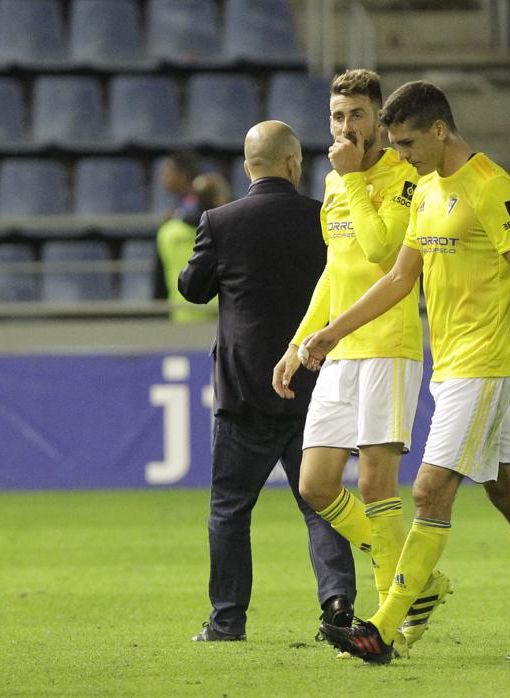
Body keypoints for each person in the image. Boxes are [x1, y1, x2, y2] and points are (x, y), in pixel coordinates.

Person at [305, 82, 510, 664]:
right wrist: (332, 332)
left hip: (486, 366)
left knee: (427, 489)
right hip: (452, 368)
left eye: (409, 142)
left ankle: (384, 630)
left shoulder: (493, 189)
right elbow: (396, 280)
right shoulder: (428, 191)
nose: (403, 154)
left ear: (440, 130)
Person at [271, 69, 449, 651]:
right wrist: (300, 342)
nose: (347, 127)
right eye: (337, 117)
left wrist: (350, 181)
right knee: (316, 485)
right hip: (339, 351)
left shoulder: (405, 179)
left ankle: (386, 622)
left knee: (376, 487)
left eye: (357, 116)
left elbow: (380, 253)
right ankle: (417, 580)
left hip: (388, 348)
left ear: (378, 118)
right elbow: (335, 269)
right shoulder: (334, 183)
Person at [180, 120, 356, 642]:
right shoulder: (323, 220)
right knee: (322, 502)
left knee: (230, 511)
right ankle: (338, 603)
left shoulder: (220, 221)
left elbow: (192, 288)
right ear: (293, 164)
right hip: (313, 383)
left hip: (245, 393)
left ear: (246, 166)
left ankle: (227, 621)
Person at [157, 152, 218, 322]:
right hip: (185, 309)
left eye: (167, 171)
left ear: (183, 174)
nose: (162, 176)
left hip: (207, 311)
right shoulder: (179, 208)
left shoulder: (196, 205)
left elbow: (195, 217)